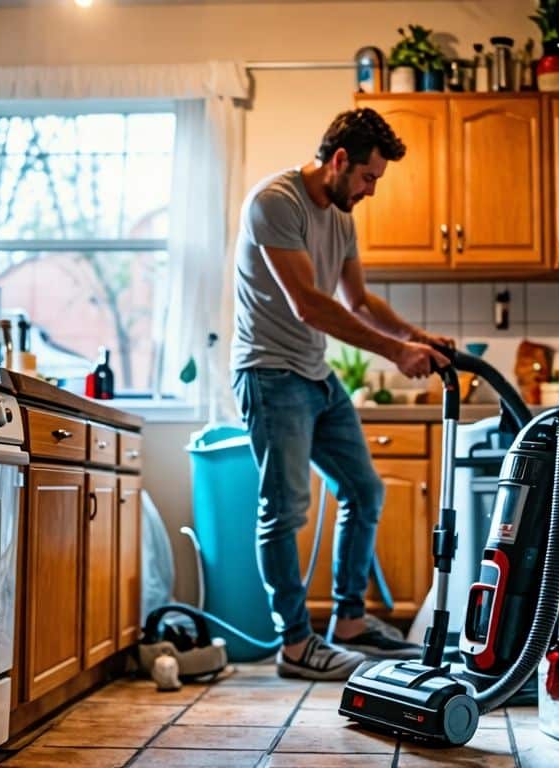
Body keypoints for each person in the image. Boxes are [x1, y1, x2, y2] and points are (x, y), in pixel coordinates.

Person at [231, 108, 454, 680]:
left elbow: (359, 302)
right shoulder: (274, 203)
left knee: (364, 490)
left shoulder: (342, 216)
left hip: (313, 374)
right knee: (284, 511)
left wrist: (419, 338)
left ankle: (349, 623)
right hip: (270, 374)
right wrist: (395, 354)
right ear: (339, 161)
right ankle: (297, 645)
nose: (371, 190)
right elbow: (309, 303)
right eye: (368, 178)